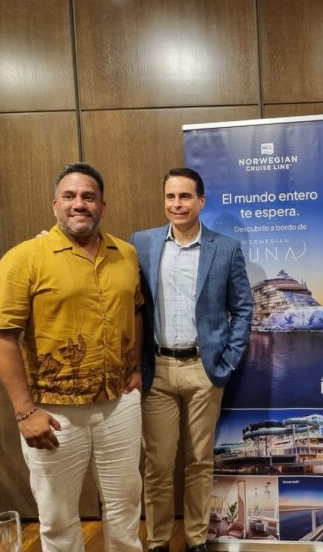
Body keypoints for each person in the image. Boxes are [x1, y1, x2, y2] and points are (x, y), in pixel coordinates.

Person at [0, 163, 144, 552]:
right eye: (69, 196)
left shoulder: (125, 254)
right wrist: (25, 411)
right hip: (53, 412)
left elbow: (137, 309)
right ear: (55, 204)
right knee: (57, 518)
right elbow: (2, 336)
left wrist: (136, 366)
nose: (79, 204)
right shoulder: (23, 258)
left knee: (125, 508)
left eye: (88, 197)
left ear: (102, 205)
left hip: (119, 404)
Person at [130, 167, 253, 552]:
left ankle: (197, 538)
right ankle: (158, 541)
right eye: (170, 197)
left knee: (199, 461)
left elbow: (243, 309)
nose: (176, 204)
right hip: (157, 371)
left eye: (185, 196)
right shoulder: (142, 243)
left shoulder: (226, 248)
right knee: (158, 464)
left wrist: (228, 360)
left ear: (201, 201)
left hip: (205, 370)